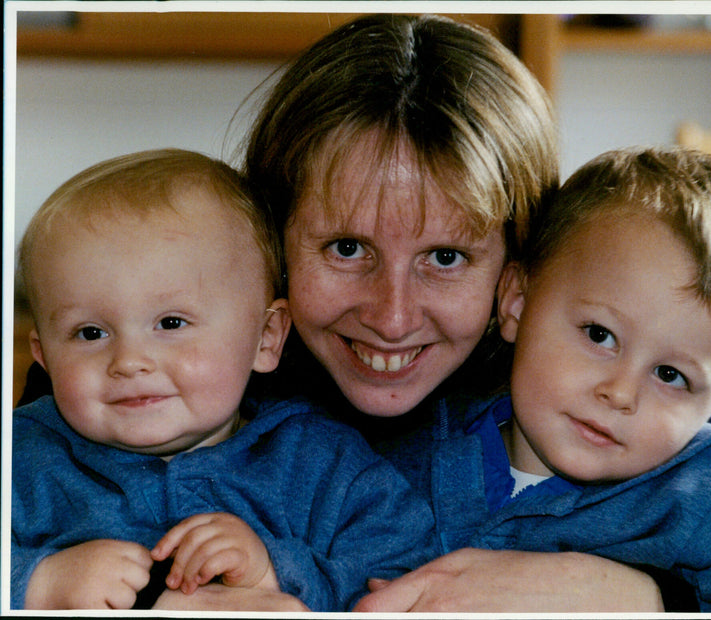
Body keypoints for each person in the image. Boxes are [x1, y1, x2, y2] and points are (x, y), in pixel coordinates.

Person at [234, 13, 672, 612]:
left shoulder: (580, 414)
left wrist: (649, 597)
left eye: (445, 256)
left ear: (516, 272)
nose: (392, 318)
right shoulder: (172, 391)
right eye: (347, 248)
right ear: (272, 236)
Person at [11, 149, 436, 611]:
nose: (129, 361)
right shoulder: (22, 458)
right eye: (90, 333)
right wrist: (36, 583)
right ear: (44, 356)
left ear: (266, 338)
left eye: (171, 323)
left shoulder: (323, 465)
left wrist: (275, 570)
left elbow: (410, 578)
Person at [420, 146, 711, 611]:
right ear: (517, 300)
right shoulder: (417, 440)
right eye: (600, 335)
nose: (619, 393)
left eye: (671, 375)